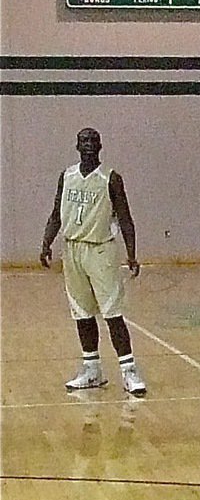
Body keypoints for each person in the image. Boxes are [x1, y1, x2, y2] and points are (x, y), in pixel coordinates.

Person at [40, 127, 147, 396]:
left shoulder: (110, 178)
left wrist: (132, 254)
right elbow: (56, 212)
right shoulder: (67, 176)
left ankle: (129, 371)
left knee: (112, 313)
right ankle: (92, 370)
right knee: (82, 313)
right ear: (77, 146)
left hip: (100, 251)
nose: (88, 144)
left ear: (100, 145)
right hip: (72, 249)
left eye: (93, 140)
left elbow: (125, 218)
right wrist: (46, 242)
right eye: (83, 140)